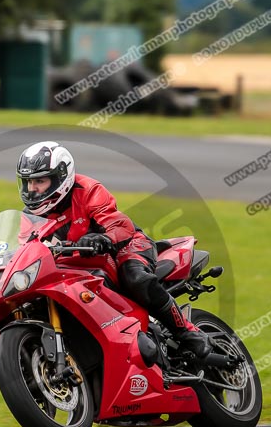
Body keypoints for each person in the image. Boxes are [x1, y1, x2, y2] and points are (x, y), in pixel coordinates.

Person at [16, 140, 212, 358]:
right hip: (81, 264)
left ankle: (189, 333)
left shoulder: (87, 189)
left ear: (60, 176)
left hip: (125, 246)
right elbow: (27, 248)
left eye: (40, 181)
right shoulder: (31, 216)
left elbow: (119, 225)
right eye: (28, 182)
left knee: (135, 278)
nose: (32, 189)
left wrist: (102, 238)